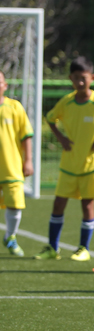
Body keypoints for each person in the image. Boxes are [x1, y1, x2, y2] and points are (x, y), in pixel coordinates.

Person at [35, 56, 94, 261]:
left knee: (87, 206)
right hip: (69, 162)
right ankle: (52, 248)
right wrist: (60, 137)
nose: (80, 82)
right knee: (58, 204)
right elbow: (51, 118)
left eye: (83, 78)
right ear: (70, 78)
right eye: (76, 78)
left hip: (91, 165)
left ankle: (83, 249)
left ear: (92, 78)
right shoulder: (66, 102)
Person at [0, 70, 34, 257]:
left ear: (5, 85)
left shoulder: (15, 107)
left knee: (15, 205)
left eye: (0, 82)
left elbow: (26, 135)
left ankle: (10, 236)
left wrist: (28, 161)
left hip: (11, 167)